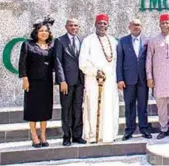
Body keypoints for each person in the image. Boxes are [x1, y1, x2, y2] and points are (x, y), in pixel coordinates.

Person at [79, 14, 119, 143]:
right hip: (93, 80)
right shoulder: (88, 40)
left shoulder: (113, 41)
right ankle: (93, 135)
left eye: (104, 23)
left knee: (109, 107)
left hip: (110, 81)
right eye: (100, 23)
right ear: (95, 24)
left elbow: (116, 62)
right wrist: (95, 71)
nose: (102, 25)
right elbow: (82, 62)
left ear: (108, 25)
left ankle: (108, 135)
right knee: (93, 106)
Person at [19, 16, 55, 148]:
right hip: (32, 82)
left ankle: (43, 135)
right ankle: (34, 135)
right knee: (33, 109)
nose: (44, 33)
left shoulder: (51, 46)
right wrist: (24, 79)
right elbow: (22, 63)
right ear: (36, 33)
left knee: (45, 109)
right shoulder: (28, 44)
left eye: (46, 31)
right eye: (41, 31)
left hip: (46, 82)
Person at [146, 13, 169, 139]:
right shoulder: (153, 40)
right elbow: (149, 59)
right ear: (159, 25)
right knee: (161, 104)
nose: (165, 25)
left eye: (167, 23)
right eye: (163, 23)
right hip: (159, 78)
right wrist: (149, 77)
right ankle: (163, 128)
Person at [116, 19, 151, 141]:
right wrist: (120, 79)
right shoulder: (122, 41)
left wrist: (150, 77)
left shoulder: (147, 41)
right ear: (129, 27)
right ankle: (129, 130)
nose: (136, 27)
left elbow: (150, 60)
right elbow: (119, 61)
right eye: (134, 25)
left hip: (143, 79)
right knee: (129, 106)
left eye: (138, 25)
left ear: (142, 26)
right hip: (128, 79)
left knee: (143, 105)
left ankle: (144, 128)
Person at [54, 18, 87, 146]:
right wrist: (62, 80)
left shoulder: (81, 40)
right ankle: (67, 136)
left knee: (78, 108)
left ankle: (77, 136)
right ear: (66, 27)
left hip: (80, 80)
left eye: (76, 25)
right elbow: (58, 62)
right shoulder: (60, 41)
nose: (73, 27)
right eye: (71, 25)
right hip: (66, 82)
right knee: (66, 109)